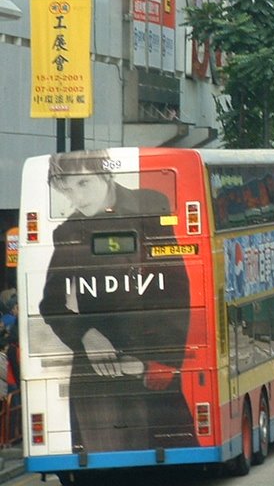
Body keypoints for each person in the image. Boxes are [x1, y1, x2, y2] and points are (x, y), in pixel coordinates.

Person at [39, 150, 196, 452]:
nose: (77, 198)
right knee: (104, 461)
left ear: (105, 174)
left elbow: (177, 287)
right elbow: (51, 303)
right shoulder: (69, 231)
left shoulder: (150, 206)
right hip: (100, 375)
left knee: (178, 452)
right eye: (67, 189)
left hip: (150, 363)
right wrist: (85, 334)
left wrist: (158, 363)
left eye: (83, 184)